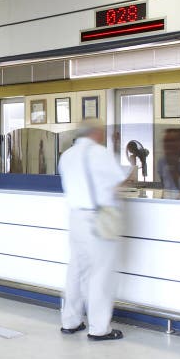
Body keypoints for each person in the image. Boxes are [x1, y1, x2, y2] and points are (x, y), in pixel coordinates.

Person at [57, 120, 127, 341]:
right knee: (100, 273)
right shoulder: (100, 153)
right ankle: (99, 328)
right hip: (98, 218)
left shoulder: (66, 155)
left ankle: (70, 321)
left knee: (76, 270)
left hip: (76, 217)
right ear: (96, 133)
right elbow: (119, 181)